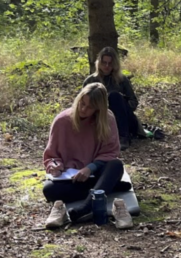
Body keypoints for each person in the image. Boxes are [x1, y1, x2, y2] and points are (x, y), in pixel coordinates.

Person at [42, 82, 133, 230]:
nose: (83, 109)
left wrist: (90, 168)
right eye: (82, 104)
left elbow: (111, 152)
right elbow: (52, 155)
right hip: (72, 177)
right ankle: (109, 186)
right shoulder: (62, 121)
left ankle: (86, 207)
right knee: (49, 190)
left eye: (90, 107)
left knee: (116, 165)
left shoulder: (107, 119)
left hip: (97, 171)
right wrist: (54, 166)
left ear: (98, 109)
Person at [82, 47, 143, 146]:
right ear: (98, 63)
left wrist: (121, 103)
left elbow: (133, 102)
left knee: (114, 96)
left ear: (115, 64)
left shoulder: (122, 80)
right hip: (99, 118)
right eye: (104, 63)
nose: (106, 66)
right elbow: (82, 103)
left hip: (124, 120)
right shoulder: (90, 81)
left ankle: (123, 137)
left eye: (110, 63)